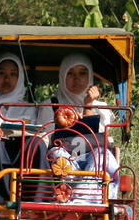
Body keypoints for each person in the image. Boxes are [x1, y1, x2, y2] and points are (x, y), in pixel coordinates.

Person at [35, 52, 121, 197]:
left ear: (89, 77)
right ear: (62, 77)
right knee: (58, 155)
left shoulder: (101, 107)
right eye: (70, 74)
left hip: (91, 156)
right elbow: (45, 141)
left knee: (104, 156)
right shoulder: (50, 104)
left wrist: (88, 105)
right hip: (61, 155)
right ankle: (73, 194)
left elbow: (99, 138)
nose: (77, 79)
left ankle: (83, 197)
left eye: (82, 73)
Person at [0, 53, 45, 203]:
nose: (7, 79)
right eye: (1, 73)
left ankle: (38, 200)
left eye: (13, 74)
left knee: (37, 144)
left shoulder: (27, 108)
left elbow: (33, 131)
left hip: (19, 150)